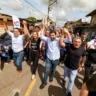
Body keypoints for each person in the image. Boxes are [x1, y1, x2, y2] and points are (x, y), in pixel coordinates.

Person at [59, 30, 86, 96]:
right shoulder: (69, 46)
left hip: (75, 68)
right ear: (73, 42)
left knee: (71, 80)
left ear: (81, 42)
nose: (77, 43)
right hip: (66, 65)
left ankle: (68, 91)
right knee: (65, 76)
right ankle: (64, 80)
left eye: (79, 42)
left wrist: (82, 65)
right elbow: (61, 43)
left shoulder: (82, 49)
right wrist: (62, 34)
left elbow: (84, 57)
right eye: (75, 42)